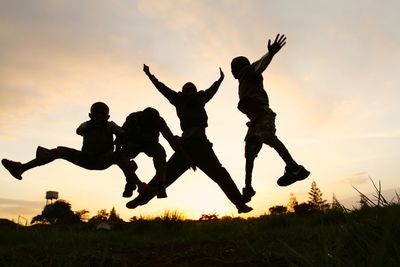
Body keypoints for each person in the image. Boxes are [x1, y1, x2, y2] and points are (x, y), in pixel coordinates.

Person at [125, 64, 253, 214]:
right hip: (186, 147)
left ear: (196, 91)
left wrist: (220, 80)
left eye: (192, 90)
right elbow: (162, 88)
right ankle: (140, 200)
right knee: (164, 176)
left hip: (202, 145)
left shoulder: (200, 97)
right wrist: (150, 75)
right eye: (187, 90)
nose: (190, 93)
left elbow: (212, 90)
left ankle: (239, 204)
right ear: (183, 92)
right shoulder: (178, 99)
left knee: (220, 174)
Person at [2, 102, 145, 196]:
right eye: (97, 115)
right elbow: (79, 130)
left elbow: (122, 134)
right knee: (60, 151)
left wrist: (125, 134)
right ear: (91, 116)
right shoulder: (87, 125)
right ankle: (22, 168)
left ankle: (137, 185)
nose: (100, 118)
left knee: (119, 156)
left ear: (108, 116)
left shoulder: (111, 125)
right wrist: (92, 125)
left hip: (103, 160)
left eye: (103, 115)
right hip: (86, 158)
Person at [230, 33, 310, 203]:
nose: (231, 71)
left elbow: (260, 65)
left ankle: (294, 168)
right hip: (254, 122)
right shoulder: (243, 81)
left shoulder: (249, 72)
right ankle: (248, 188)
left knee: (267, 137)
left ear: (240, 67)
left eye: (233, 68)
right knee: (249, 154)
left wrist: (270, 54)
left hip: (263, 114)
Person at [116, 107, 189, 199]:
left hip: (150, 144)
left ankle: (160, 184)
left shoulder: (159, 121)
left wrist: (183, 155)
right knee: (121, 158)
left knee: (160, 152)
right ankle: (131, 182)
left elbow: (169, 138)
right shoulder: (132, 119)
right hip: (133, 144)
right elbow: (120, 135)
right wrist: (119, 153)